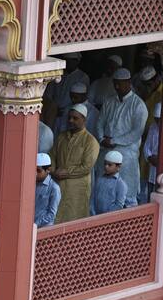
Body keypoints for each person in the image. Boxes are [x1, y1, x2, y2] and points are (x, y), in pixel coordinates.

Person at [96, 68, 148, 206]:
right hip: (106, 150)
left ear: (129, 83)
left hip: (126, 156)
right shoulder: (109, 101)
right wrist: (102, 139)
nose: (117, 87)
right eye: (115, 83)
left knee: (127, 195)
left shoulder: (138, 105)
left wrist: (114, 141)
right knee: (103, 193)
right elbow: (100, 121)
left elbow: (136, 132)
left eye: (121, 83)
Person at [51, 104, 100, 223]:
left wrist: (66, 172)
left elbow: (86, 167)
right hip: (58, 185)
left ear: (84, 119)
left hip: (77, 189)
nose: (71, 121)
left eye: (75, 118)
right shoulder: (62, 137)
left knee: (74, 219)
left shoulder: (90, 141)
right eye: (70, 118)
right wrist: (52, 170)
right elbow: (52, 155)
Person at [44, 52, 90, 131]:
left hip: (71, 114)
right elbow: (49, 94)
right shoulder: (59, 74)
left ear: (77, 61)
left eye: (70, 61)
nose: (68, 64)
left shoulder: (82, 77)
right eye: (66, 61)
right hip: (53, 113)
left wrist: (67, 110)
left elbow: (80, 98)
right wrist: (53, 109)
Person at [91, 150, 128, 215]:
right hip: (96, 216)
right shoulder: (100, 179)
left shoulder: (120, 184)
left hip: (110, 219)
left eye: (109, 165)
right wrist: (93, 212)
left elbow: (119, 206)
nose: (106, 166)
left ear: (118, 167)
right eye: (105, 164)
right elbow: (93, 197)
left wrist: (106, 216)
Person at [35, 153, 61, 228]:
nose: (35, 173)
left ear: (48, 170)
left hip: (43, 229)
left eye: (38, 170)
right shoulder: (31, 183)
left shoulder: (54, 188)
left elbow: (51, 214)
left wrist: (35, 224)